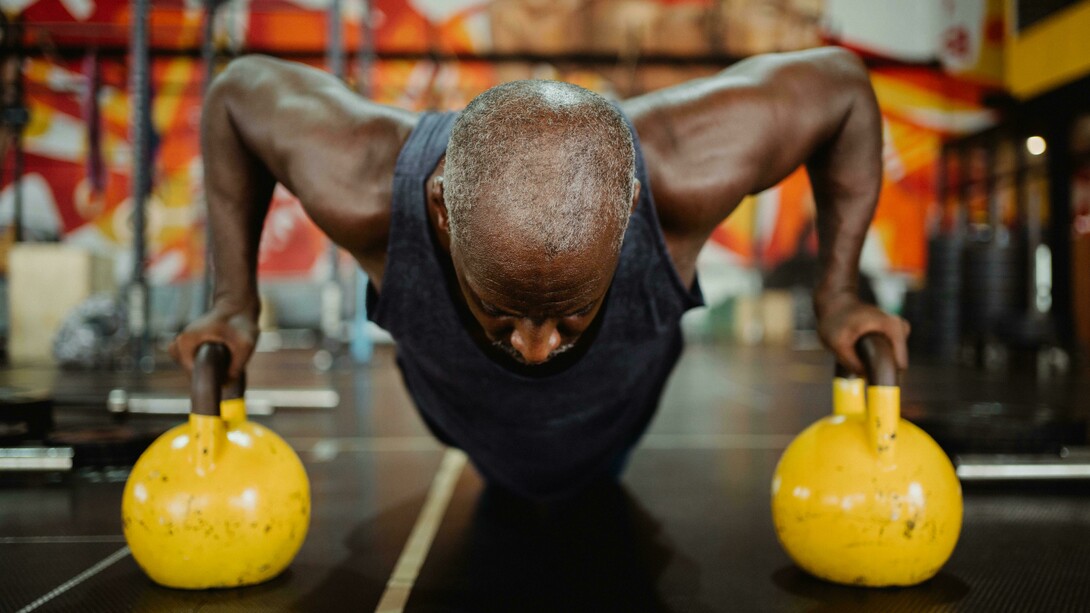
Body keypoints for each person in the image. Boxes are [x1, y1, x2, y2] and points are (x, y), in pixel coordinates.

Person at [170, 47, 910, 501]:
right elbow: (238, 94)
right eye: (503, 313)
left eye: (568, 315)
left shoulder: (682, 170)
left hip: (617, 424)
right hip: (463, 426)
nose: (531, 347)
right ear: (440, 215)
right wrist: (234, 300)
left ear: (628, 211)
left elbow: (842, 89)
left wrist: (838, 291)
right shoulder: (367, 183)